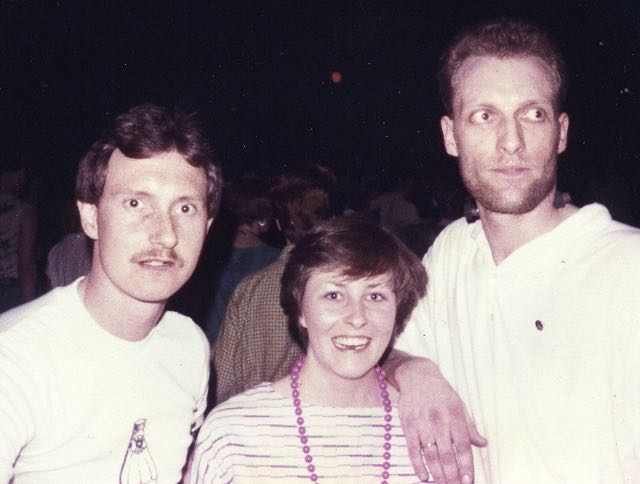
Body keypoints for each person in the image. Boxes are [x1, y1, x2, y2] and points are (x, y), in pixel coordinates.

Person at [389, 18, 640, 484]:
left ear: (561, 132)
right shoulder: (451, 253)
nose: (511, 142)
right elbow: (390, 346)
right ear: (450, 135)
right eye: (484, 116)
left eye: (533, 114)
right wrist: (415, 371)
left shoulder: (627, 269)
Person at [0, 103, 223, 483]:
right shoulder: (18, 357)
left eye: (185, 208)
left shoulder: (189, 345)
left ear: (207, 227)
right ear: (90, 217)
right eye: (136, 203)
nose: (166, 234)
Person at [190, 216, 429, 483]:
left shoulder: (430, 426)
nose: (357, 317)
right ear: (301, 311)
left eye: (375, 296)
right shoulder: (233, 433)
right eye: (334, 295)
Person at [212, 171, 334, 405]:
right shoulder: (342, 287)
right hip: (315, 410)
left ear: (278, 224)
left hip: (253, 411)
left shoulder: (252, 287)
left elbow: (223, 374)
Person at [202, 176, 280, 342]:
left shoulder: (208, 256)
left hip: (210, 346)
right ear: (263, 220)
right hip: (253, 349)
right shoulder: (277, 259)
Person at [0, 160, 37, 312]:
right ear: (20, 174)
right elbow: (26, 265)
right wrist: (30, 307)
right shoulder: (23, 211)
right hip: (9, 290)